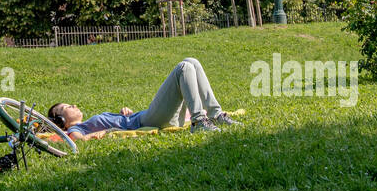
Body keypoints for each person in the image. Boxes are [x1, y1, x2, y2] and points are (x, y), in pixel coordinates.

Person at [47, 57, 239, 138]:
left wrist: (123, 116)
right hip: (148, 119)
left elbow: (114, 124)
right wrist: (101, 134)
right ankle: (199, 122)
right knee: (183, 68)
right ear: (62, 120)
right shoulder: (77, 129)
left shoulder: (89, 122)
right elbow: (76, 139)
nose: (73, 105)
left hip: (143, 117)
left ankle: (215, 114)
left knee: (192, 61)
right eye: (67, 107)